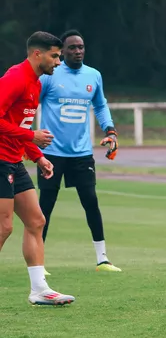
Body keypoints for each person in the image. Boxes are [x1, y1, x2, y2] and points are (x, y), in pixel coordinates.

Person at [0, 31, 75, 306]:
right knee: (3, 227)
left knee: (36, 221)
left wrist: (38, 156)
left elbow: (22, 127)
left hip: (13, 160)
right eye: (55, 56)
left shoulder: (37, 84)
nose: (59, 61)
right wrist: (32, 139)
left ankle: (39, 289)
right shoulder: (16, 78)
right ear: (37, 54)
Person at [37, 29, 121, 272]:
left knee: (91, 202)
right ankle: (38, 262)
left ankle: (102, 258)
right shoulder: (50, 75)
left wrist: (111, 131)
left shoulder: (93, 76)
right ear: (62, 52)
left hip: (81, 153)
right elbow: (31, 103)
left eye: (81, 47)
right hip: (51, 153)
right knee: (45, 206)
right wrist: (27, 137)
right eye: (72, 48)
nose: (78, 51)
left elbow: (100, 105)